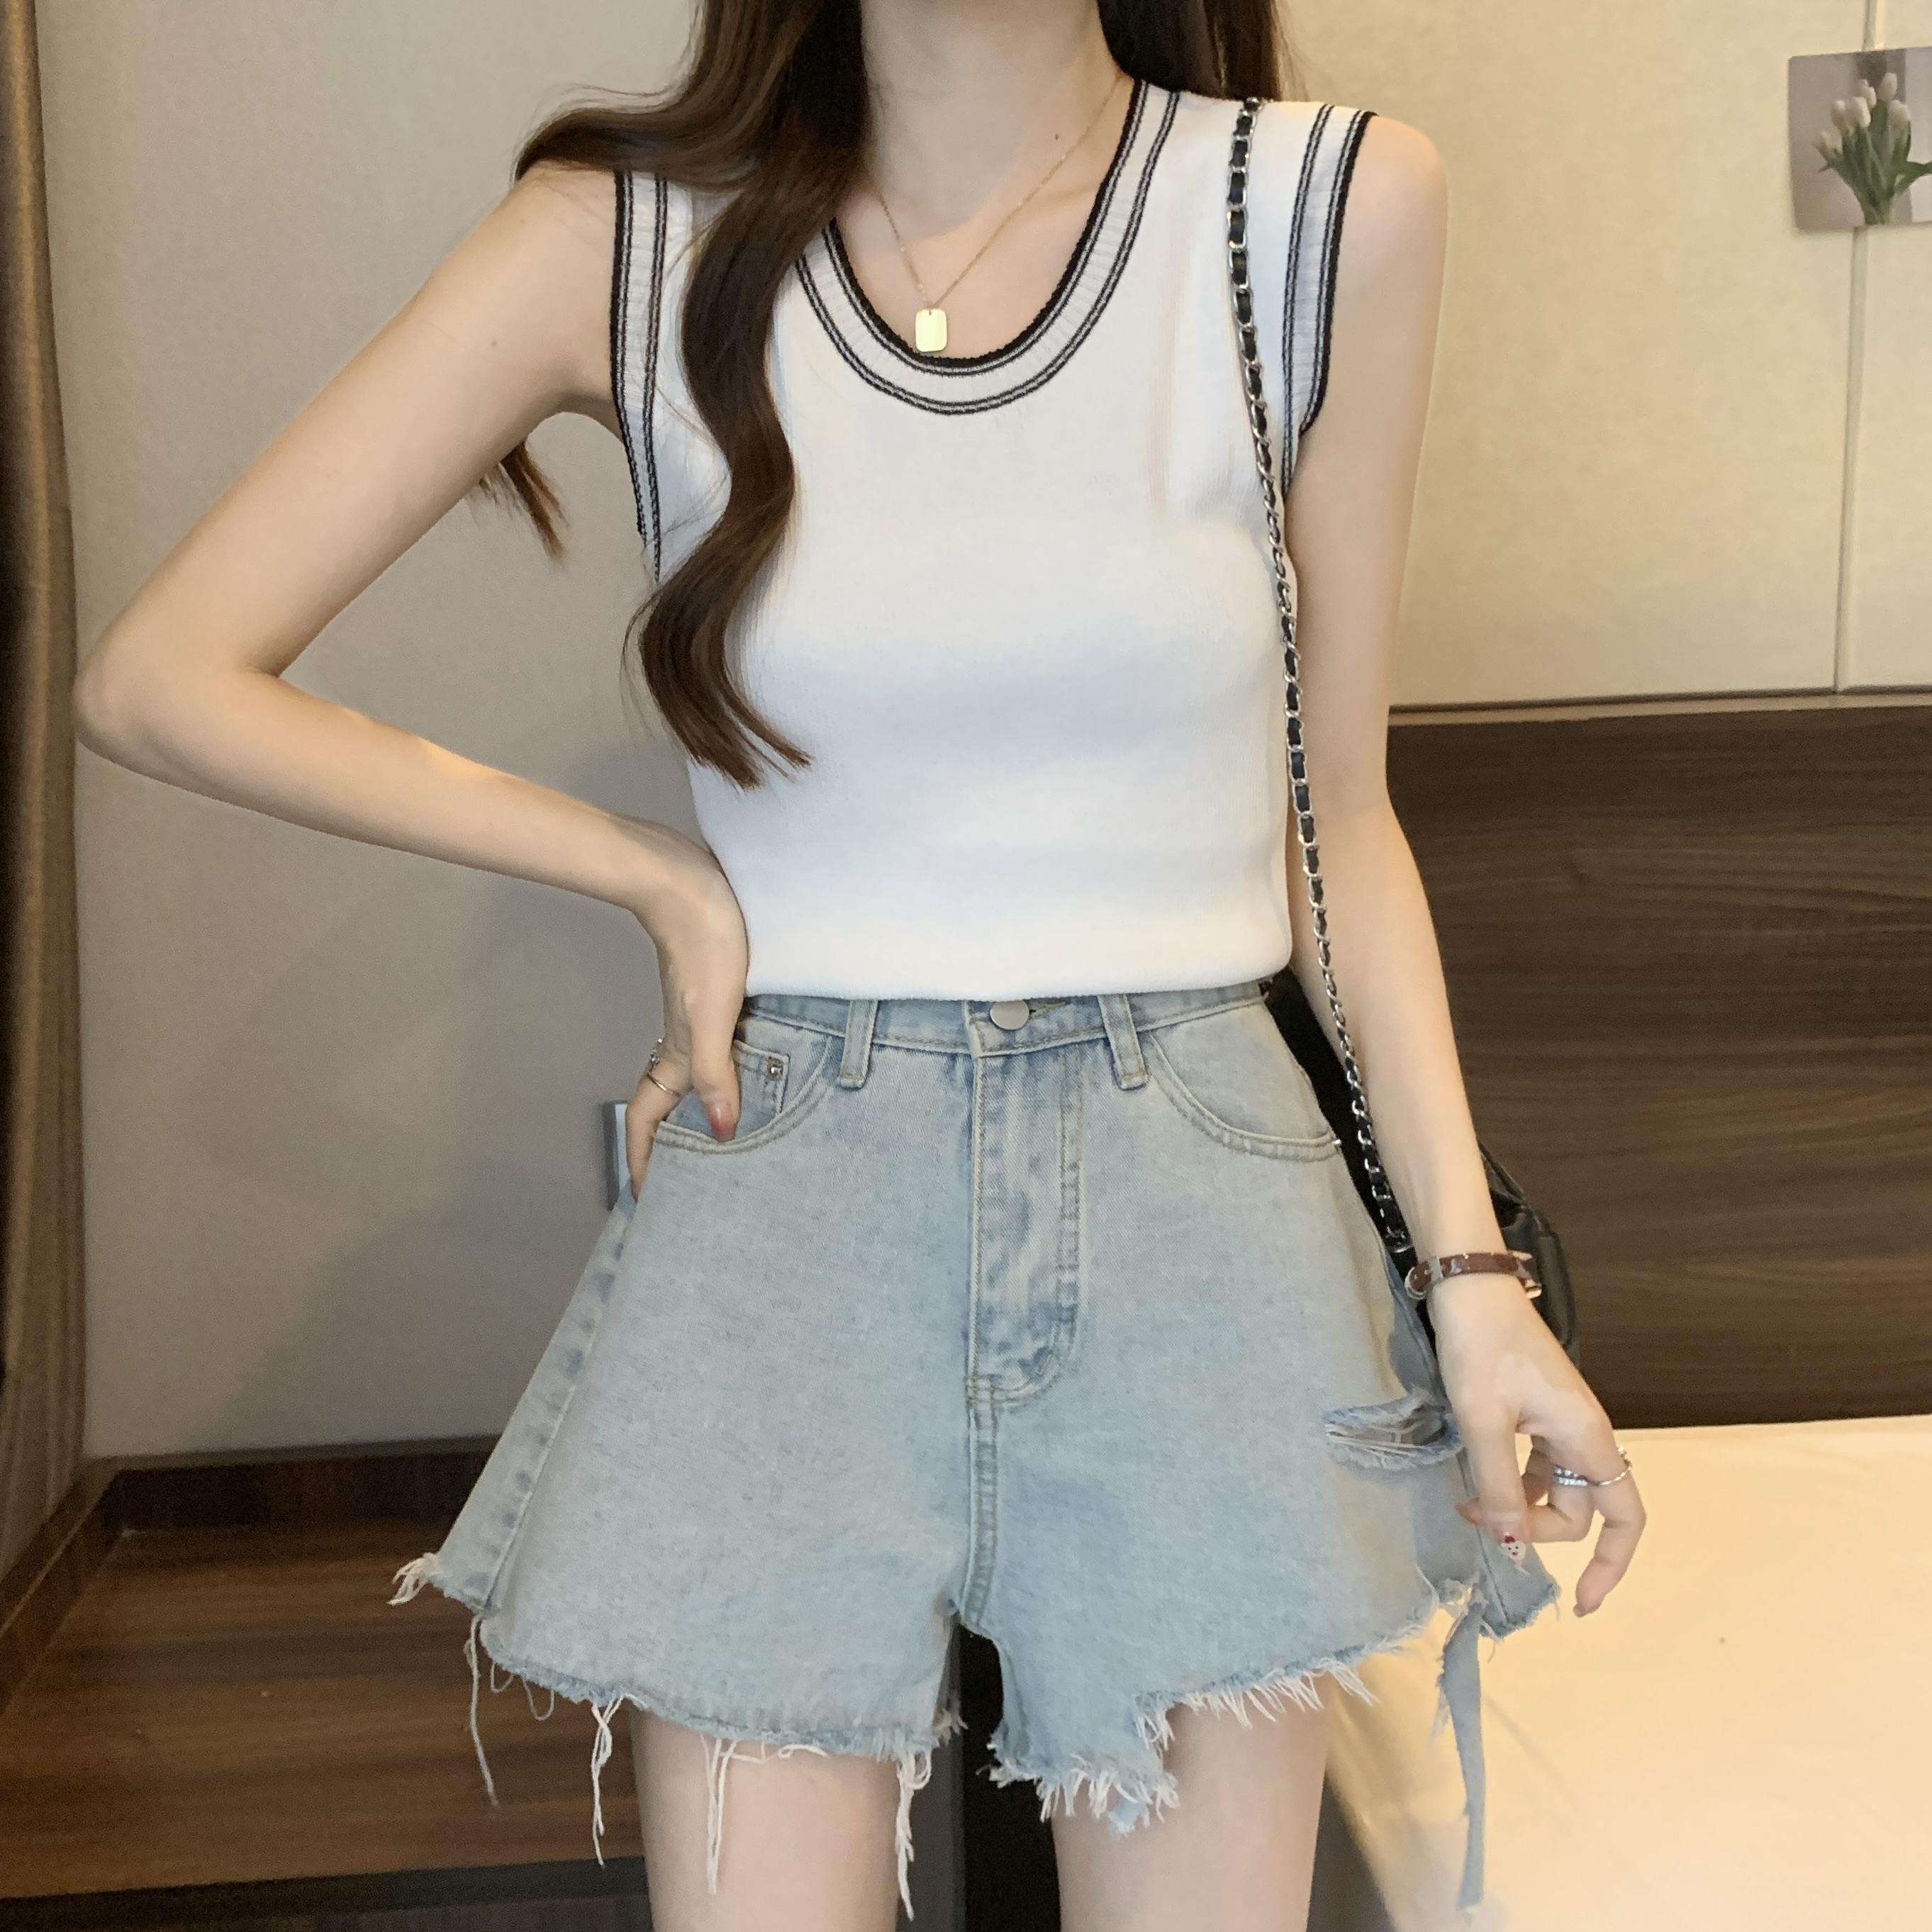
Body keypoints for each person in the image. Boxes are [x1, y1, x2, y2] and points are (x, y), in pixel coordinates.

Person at [72, 3, 1645, 1927]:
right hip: (790, 1194)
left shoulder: (1318, 210)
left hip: (1198, 1209)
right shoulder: (622, 242)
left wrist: (1473, 1285)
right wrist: (653, 875)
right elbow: (159, 678)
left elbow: (1340, 817)